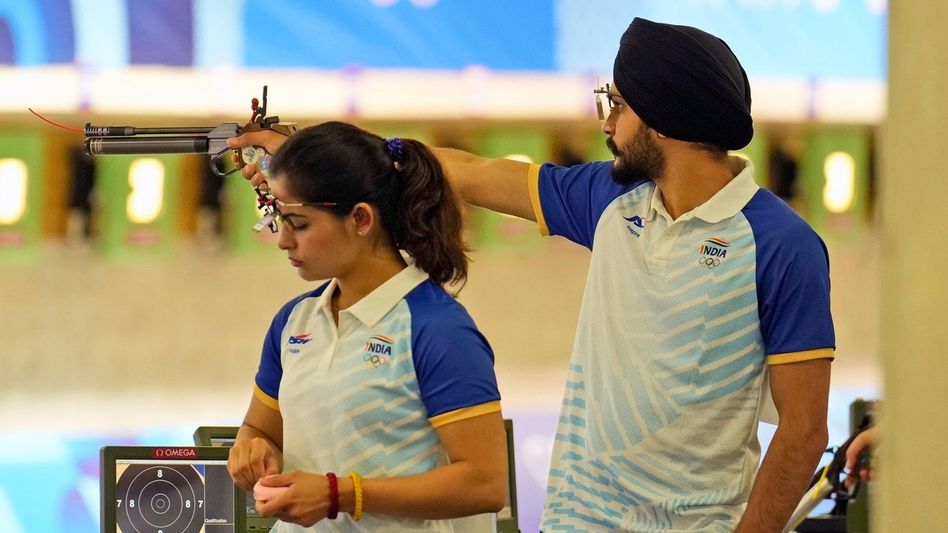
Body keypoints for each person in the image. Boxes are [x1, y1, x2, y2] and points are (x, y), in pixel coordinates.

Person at [230, 17, 835, 533]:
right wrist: (312, 153)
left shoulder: (781, 246)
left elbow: (805, 431)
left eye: (618, 106)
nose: (606, 124)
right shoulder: (611, 200)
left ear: (662, 117)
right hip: (575, 518)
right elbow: (470, 173)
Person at [226, 121, 508, 532]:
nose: (283, 240)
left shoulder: (437, 328)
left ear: (360, 219)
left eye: (298, 223)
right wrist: (250, 449)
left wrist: (339, 494)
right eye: (278, 220)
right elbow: (260, 429)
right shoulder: (294, 320)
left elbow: (484, 484)